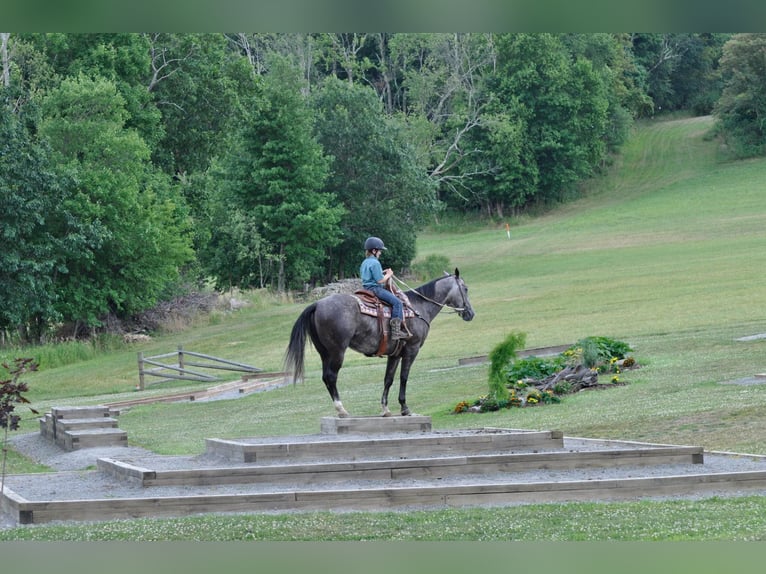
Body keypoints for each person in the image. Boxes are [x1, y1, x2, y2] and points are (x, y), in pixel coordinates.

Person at [360, 236, 410, 340]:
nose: (380, 253)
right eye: (379, 251)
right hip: (375, 289)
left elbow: (371, 276)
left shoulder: (365, 262)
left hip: (365, 288)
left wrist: (383, 273)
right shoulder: (375, 262)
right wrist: (389, 274)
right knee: (398, 303)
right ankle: (396, 332)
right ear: (374, 250)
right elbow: (379, 280)